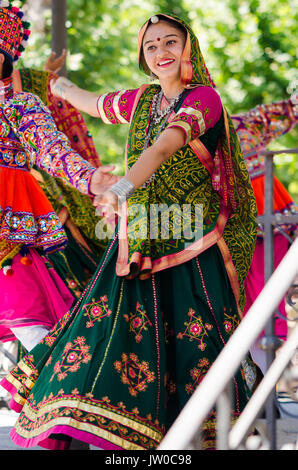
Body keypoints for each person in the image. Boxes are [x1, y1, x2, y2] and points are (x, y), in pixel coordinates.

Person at [1, 13, 257, 450]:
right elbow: (96, 102)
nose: (161, 53)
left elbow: (163, 144)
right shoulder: (142, 101)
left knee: (198, 336)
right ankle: (106, 423)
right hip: (138, 238)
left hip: (188, 236)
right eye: (152, 45)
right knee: (110, 327)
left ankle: (207, 432)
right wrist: (55, 83)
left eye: (170, 42)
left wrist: (114, 186)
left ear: (188, 48)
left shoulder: (204, 99)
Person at [0, 1, 117, 352]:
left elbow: (50, 147)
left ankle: (54, 396)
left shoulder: (19, 103)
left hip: (16, 222)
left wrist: (89, 178)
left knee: (38, 326)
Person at [232, 96, 298, 373]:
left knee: (265, 295)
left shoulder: (247, 123)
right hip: (234, 218)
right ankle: (262, 389)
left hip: (266, 210)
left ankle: (264, 388)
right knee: (249, 303)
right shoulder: (187, 135)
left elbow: (289, 110)